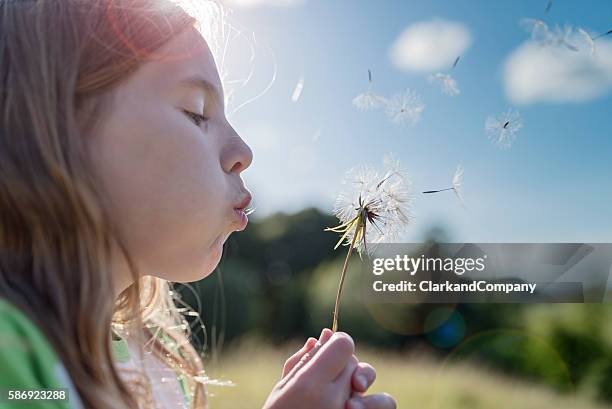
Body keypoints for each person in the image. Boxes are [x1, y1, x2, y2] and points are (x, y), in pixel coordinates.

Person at [0, 1, 397, 408]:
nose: (243, 152)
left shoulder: (159, 371)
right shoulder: (10, 360)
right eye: (197, 113)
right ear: (50, 127)